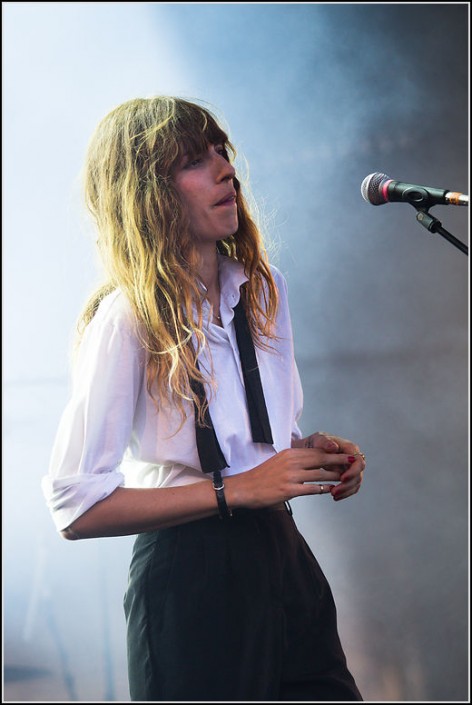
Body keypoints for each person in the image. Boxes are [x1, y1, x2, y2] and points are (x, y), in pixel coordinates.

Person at [42, 96, 365, 702]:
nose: (225, 170)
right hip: (190, 575)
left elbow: (257, 448)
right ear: (146, 194)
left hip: (283, 556)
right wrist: (236, 490)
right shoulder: (127, 316)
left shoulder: (265, 290)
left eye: (223, 152)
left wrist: (311, 452)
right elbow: (73, 504)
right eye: (195, 160)